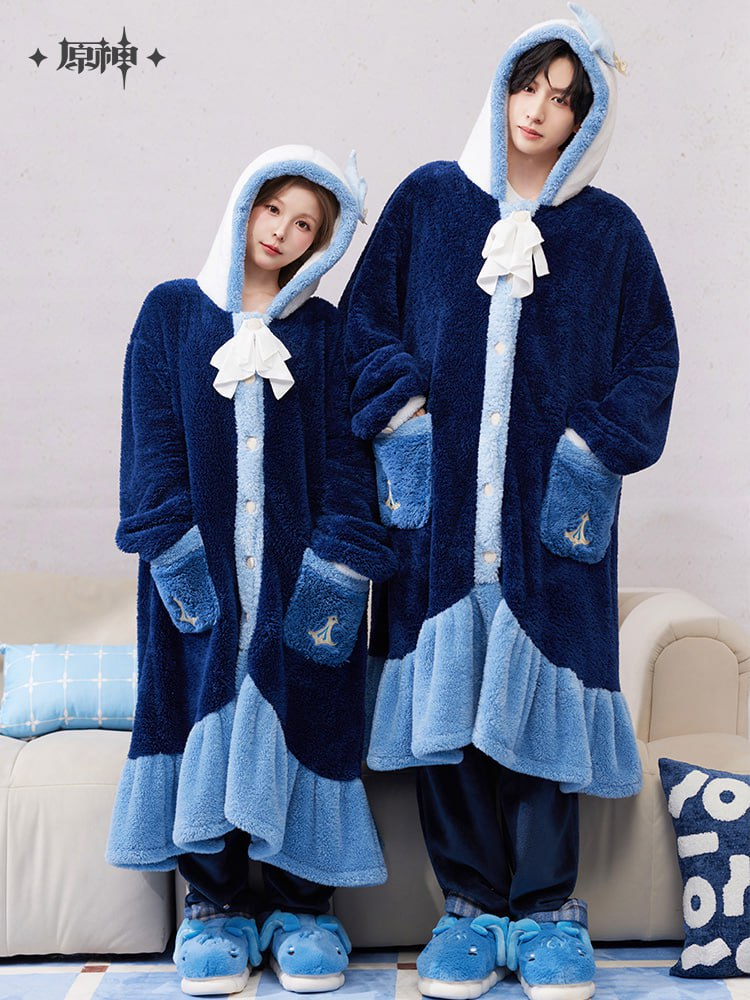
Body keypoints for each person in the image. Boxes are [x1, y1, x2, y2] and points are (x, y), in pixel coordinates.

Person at [343, 6, 678, 999]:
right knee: (447, 713)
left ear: (588, 119)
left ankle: (545, 914)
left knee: (539, 716)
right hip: (437, 523)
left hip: (549, 529)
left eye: (566, 99)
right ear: (501, 87)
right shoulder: (429, 202)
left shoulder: (610, 233)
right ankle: (470, 907)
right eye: (529, 84)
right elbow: (364, 325)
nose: (540, 109)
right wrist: (403, 420)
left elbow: (652, 359)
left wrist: (589, 454)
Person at [106, 145, 395, 996]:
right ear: (244, 205)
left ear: (321, 244)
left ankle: (306, 908)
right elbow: (150, 446)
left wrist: (339, 563)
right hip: (195, 578)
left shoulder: (326, 332)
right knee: (200, 711)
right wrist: (174, 553)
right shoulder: (171, 314)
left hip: (304, 580)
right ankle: (216, 906)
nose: (282, 232)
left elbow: (350, 459)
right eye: (273, 209)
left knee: (308, 718)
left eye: (305, 225)